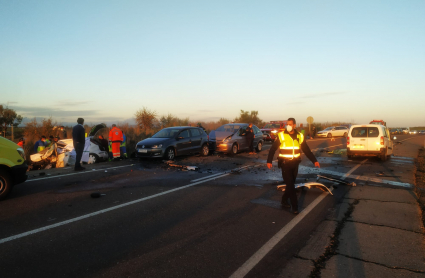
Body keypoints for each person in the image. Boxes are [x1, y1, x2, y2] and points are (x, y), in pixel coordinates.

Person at [267, 118, 320, 214]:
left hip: (295, 163)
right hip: (284, 163)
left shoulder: (300, 136)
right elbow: (273, 148)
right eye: (287, 124)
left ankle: (283, 200)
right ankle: (295, 207)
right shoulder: (281, 135)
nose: (288, 126)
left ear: (294, 125)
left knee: (290, 185)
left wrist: (314, 161)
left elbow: (306, 150)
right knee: (291, 185)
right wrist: (269, 161)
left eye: (290, 124)